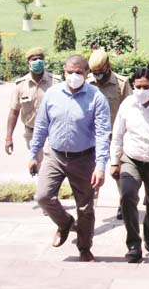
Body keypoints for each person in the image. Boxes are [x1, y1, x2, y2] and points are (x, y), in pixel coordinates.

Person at [28, 55, 110, 262]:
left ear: (87, 74)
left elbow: (102, 133)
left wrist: (100, 166)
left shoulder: (96, 97)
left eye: (78, 73)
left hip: (84, 158)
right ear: (63, 72)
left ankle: (84, 247)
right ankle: (64, 223)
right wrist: (34, 154)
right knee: (43, 196)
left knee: (85, 207)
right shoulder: (53, 94)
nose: (73, 76)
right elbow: (41, 126)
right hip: (55, 155)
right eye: (69, 72)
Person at [110, 68, 149, 262]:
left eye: (146, 87)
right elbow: (117, 134)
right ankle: (133, 244)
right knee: (127, 196)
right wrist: (114, 162)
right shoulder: (127, 104)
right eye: (137, 87)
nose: (141, 90)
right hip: (131, 159)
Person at [87, 49, 132, 219]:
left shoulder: (121, 83)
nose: (98, 76)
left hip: (115, 136)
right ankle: (89, 205)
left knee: (119, 173)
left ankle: (124, 204)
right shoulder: (87, 83)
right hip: (93, 136)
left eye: (101, 71)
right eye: (95, 73)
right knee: (91, 173)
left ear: (108, 66)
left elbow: (130, 108)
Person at [5, 48, 60, 156]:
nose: (38, 61)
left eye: (41, 59)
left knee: (51, 166)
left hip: (52, 132)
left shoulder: (55, 82)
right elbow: (14, 112)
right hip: (31, 133)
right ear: (28, 63)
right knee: (37, 164)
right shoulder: (21, 85)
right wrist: (8, 137)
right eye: (34, 59)